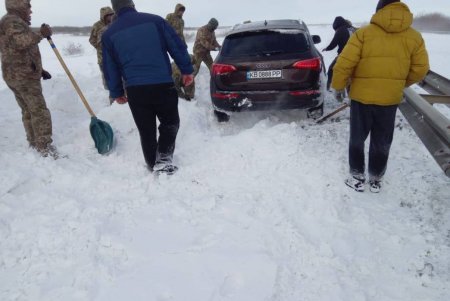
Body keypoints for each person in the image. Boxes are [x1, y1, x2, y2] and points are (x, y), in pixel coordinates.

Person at [331, 0, 429, 193]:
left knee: (357, 138)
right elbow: (421, 69)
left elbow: (344, 64)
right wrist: (397, 83)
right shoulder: (414, 37)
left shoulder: (364, 34)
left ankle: (357, 177)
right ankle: (375, 180)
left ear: (379, 11)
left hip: (361, 98)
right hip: (389, 99)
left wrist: (338, 86)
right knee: (382, 140)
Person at [102, 0, 194, 175]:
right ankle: (164, 159)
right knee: (170, 122)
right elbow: (176, 46)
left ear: (115, 10)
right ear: (132, 4)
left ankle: (153, 163)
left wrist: (116, 92)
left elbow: (110, 67)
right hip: (162, 85)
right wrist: (186, 70)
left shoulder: (109, 35)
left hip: (136, 90)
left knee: (146, 130)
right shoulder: (155, 21)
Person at [0, 0, 56, 158]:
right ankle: (45, 147)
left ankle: (34, 142)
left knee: (28, 110)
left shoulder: (10, 21)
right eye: (27, 7)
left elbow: (16, 52)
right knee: (39, 111)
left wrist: (39, 69)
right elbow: (21, 42)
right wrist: (41, 33)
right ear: (18, 6)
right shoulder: (12, 21)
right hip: (23, 77)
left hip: (17, 74)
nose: (30, 11)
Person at [322, 16, 355, 93]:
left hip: (344, 55)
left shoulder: (340, 30)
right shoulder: (352, 28)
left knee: (331, 69)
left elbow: (334, 43)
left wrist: (327, 48)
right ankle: (350, 92)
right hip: (356, 55)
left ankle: (330, 88)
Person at [89, 6, 114, 89]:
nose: (110, 16)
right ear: (103, 16)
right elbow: (92, 40)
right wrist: (100, 48)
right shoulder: (97, 26)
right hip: (102, 58)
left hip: (115, 56)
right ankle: (109, 92)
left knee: (117, 75)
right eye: (108, 15)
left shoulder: (115, 23)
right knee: (107, 77)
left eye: (112, 14)